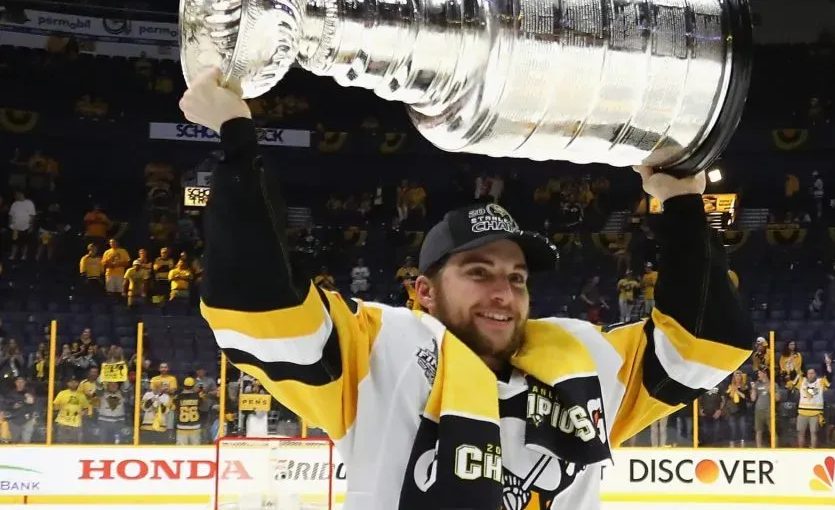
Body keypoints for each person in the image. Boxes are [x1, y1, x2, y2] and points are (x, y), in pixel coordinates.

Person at [181, 69, 753, 510]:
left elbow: (706, 341)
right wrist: (237, 139)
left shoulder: (585, 361)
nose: (503, 291)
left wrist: (681, 202)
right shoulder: (377, 352)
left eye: (517, 277)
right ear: (424, 292)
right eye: (478, 272)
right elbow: (258, 306)